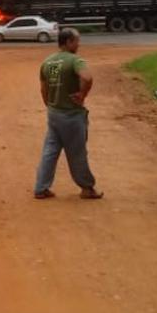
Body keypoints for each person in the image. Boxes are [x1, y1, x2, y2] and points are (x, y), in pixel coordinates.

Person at [34, 28, 102, 200]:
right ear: (69, 42)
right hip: (71, 114)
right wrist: (82, 94)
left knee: (50, 151)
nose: (79, 44)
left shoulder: (49, 62)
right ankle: (87, 187)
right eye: (77, 41)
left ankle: (41, 187)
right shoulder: (74, 61)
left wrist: (50, 104)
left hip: (54, 114)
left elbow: (44, 89)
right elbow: (87, 77)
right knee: (77, 152)